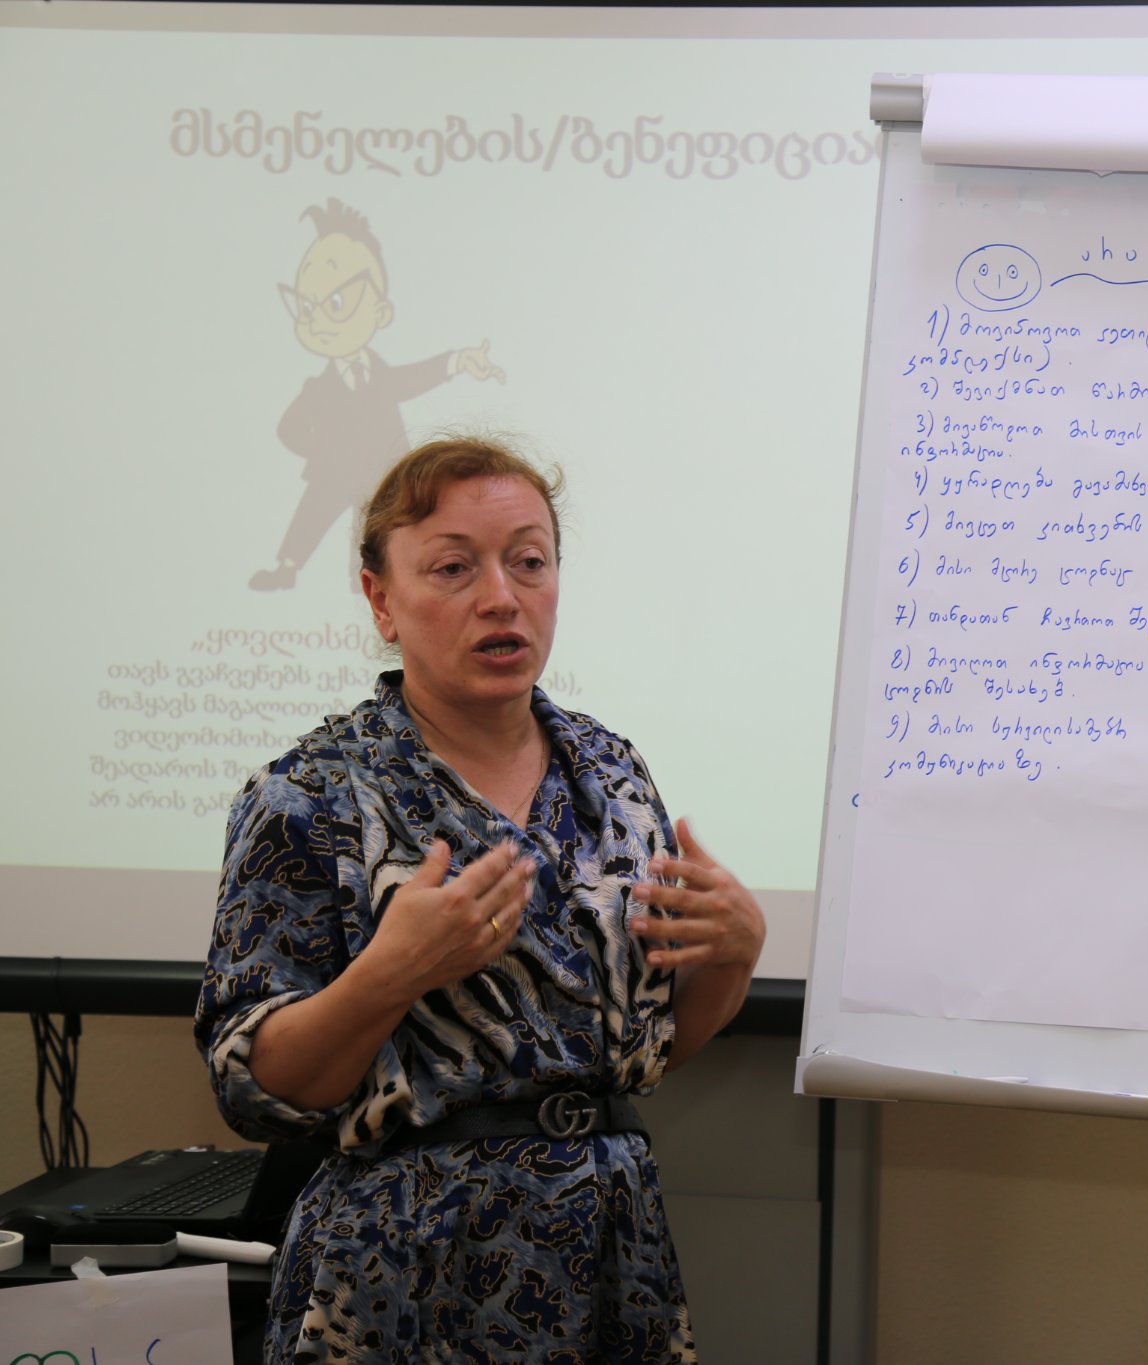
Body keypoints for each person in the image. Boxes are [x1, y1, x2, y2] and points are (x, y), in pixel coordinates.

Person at [197, 436, 764, 1363]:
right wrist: (390, 974)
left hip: (610, 1246)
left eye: (528, 561)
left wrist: (735, 956)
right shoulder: (309, 794)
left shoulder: (612, 773)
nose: (501, 596)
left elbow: (649, 1050)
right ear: (381, 598)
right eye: (454, 567)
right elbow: (254, 1088)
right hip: (402, 1267)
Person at [252, 200, 506, 593]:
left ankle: (366, 588)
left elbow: (412, 378)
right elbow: (289, 428)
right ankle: (287, 567)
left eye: (336, 303)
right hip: (332, 470)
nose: (316, 319)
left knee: (374, 531)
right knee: (311, 515)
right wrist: (320, 447)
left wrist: (456, 361)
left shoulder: (380, 374)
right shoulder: (320, 386)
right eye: (305, 306)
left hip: (382, 474)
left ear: (382, 312)